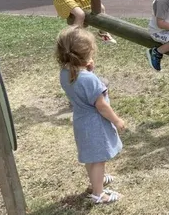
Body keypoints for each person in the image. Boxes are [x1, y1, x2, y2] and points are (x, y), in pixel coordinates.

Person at [56, 26, 125, 204]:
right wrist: (117, 120)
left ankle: (97, 180)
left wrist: (89, 70)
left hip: (81, 122)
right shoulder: (88, 79)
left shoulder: (65, 73)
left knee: (90, 157)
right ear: (86, 55)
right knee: (99, 159)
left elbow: (82, 92)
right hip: (96, 124)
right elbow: (101, 105)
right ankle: (98, 194)